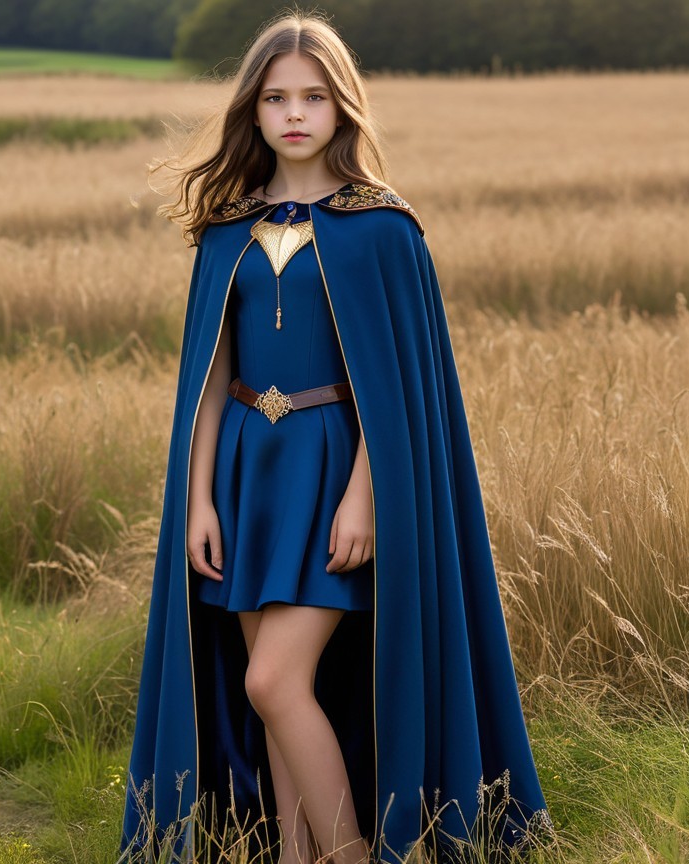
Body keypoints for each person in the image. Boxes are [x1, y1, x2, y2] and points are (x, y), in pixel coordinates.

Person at [121, 12, 551, 864]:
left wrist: (366, 497)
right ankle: (294, 854)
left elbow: (394, 392)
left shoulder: (385, 229)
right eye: (276, 97)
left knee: (273, 681)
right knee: (280, 695)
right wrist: (199, 497)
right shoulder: (225, 230)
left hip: (333, 474)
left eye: (313, 97)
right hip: (248, 473)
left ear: (342, 107)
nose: (294, 113)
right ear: (252, 110)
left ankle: (352, 853)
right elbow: (208, 380)